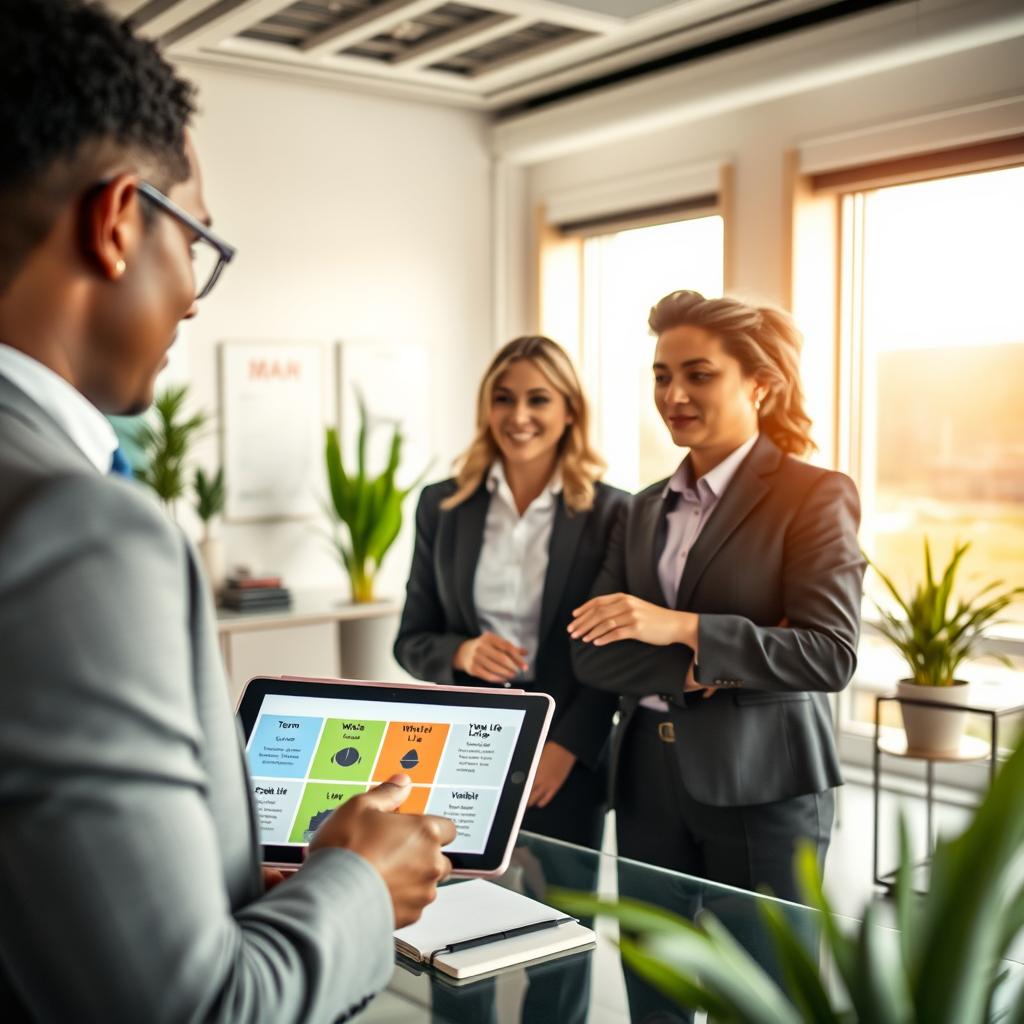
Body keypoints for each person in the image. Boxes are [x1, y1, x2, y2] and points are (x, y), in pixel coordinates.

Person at [0, 3, 454, 1021]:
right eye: (195, 241)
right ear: (117, 221)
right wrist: (360, 884)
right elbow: (191, 1008)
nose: (196, 298)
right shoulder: (75, 532)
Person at [570, 289, 865, 897]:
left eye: (698, 375)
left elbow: (828, 654)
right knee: (652, 983)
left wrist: (680, 627)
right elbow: (592, 652)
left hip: (765, 779)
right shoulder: (641, 508)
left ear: (759, 384)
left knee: (761, 983)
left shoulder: (812, 496)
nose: (673, 396)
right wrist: (704, 670)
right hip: (647, 777)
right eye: (662, 376)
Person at [395, 335, 626, 851]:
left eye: (538, 399)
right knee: (459, 909)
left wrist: (568, 746)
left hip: (565, 751)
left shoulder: (614, 513)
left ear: (570, 411)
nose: (518, 415)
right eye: (504, 398)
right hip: (463, 745)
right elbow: (410, 639)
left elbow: (617, 652)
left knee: (563, 916)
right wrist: (462, 651)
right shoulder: (443, 506)